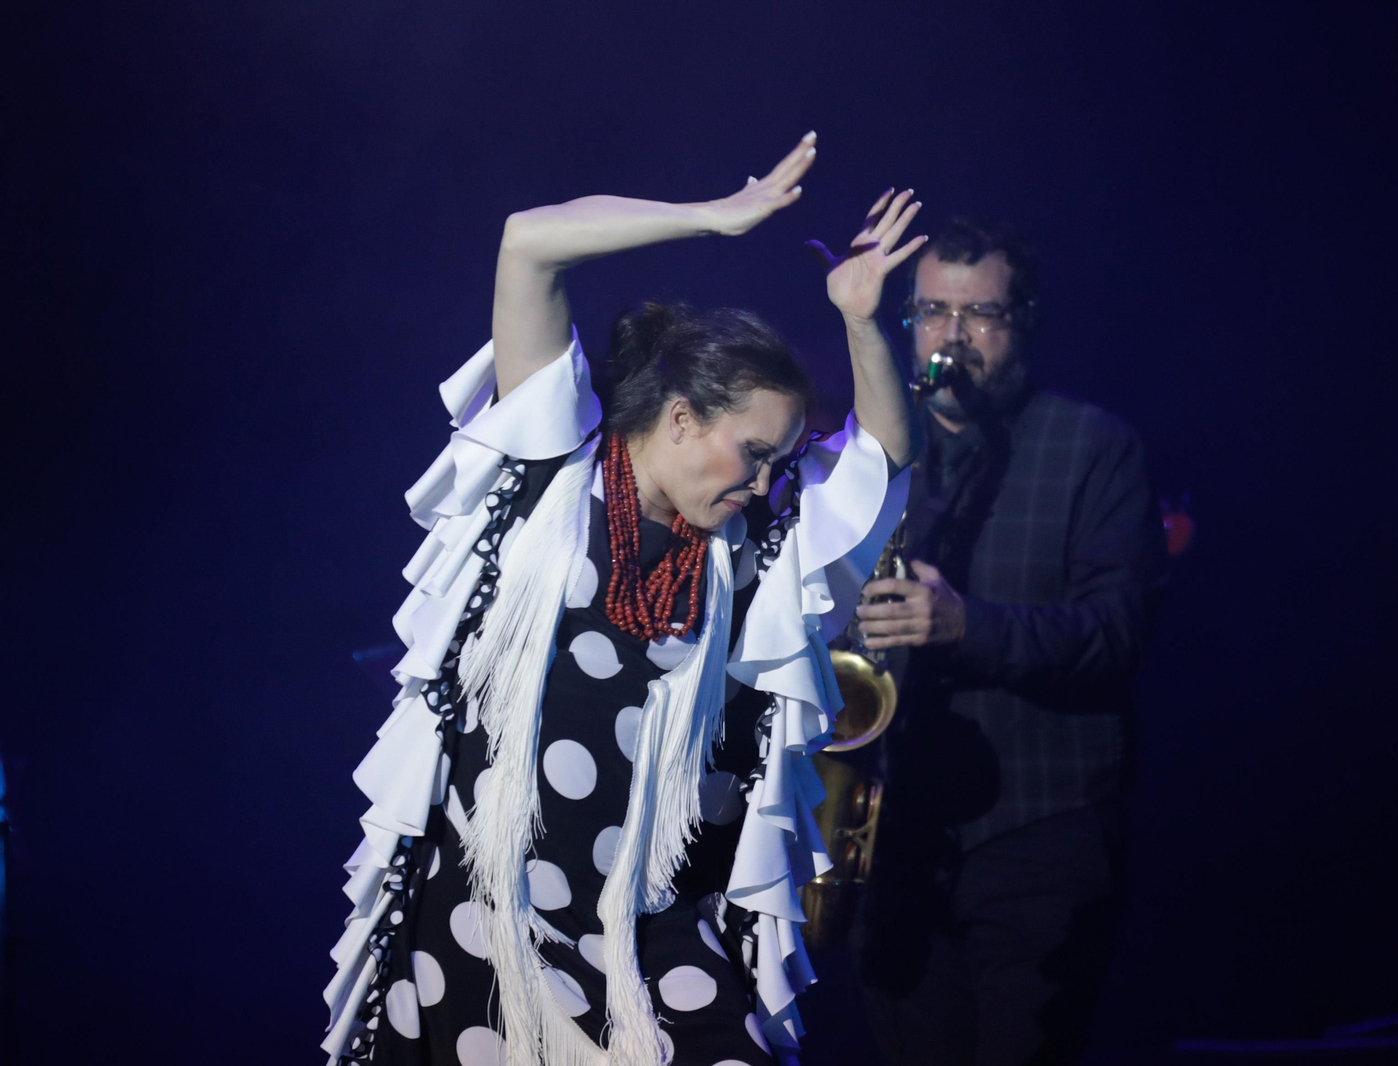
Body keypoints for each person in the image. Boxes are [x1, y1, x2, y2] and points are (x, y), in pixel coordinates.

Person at [321, 134, 926, 1066]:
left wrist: (860, 322)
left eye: (779, 463)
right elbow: (529, 243)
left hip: (647, 929)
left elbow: (882, 462)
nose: (767, 483)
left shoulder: (748, 552)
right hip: (485, 910)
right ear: (681, 416)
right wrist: (712, 216)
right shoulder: (551, 469)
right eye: (754, 454)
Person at [853, 218, 1168, 1064]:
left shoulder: (1095, 446)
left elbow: (1117, 635)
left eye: (979, 314)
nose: (951, 338)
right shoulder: (876, 455)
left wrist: (966, 625)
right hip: (897, 838)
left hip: (1039, 833)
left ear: (1022, 321)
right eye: (932, 312)